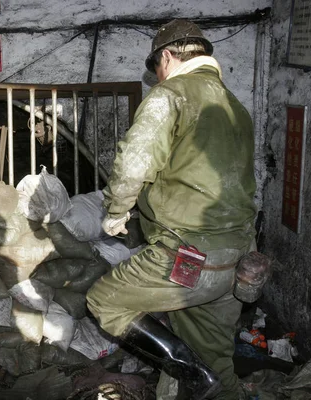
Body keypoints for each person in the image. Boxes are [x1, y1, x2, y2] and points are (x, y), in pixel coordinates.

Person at [86, 19, 257, 400]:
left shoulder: (172, 95)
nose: (158, 78)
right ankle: (214, 383)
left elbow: (134, 162)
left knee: (104, 301)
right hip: (237, 258)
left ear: (167, 56)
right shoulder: (235, 105)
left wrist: (116, 211)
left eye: (157, 69)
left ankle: (195, 376)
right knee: (217, 356)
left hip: (187, 254)